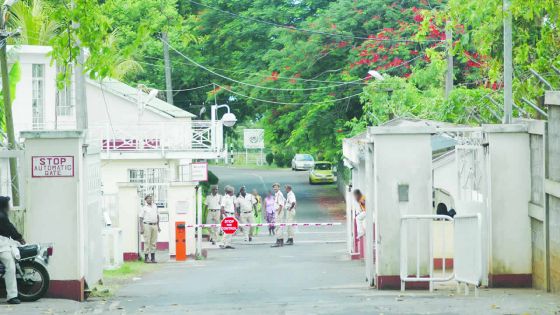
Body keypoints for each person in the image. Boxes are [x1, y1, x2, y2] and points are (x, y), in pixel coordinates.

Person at [0, 196, 25, 305]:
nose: (9, 207)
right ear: (4, 206)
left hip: (3, 243)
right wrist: (19, 238)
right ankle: (12, 296)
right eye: (8, 204)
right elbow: (10, 229)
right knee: (10, 267)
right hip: (1, 246)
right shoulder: (1, 216)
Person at [139, 195, 160, 263]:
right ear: (146, 200)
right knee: (147, 241)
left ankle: (153, 258)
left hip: (154, 225)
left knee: (153, 242)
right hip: (147, 225)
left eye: (151, 198)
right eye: (148, 199)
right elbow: (141, 218)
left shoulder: (155, 206)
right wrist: (142, 228)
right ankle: (146, 258)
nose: (150, 199)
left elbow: (157, 216)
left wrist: (158, 226)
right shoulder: (144, 208)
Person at [271, 183, 286, 247]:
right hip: (278, 211)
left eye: (276, 187)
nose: (275, 188)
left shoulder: (279, 194)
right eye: (274, 187)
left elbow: (281, 205)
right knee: (280, 226)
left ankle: (278, 241)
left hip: (279, 211)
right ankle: (281, 241)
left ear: (279, 187)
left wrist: (279, 213)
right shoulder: (277, 194)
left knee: (278, 227)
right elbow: (284, 200)